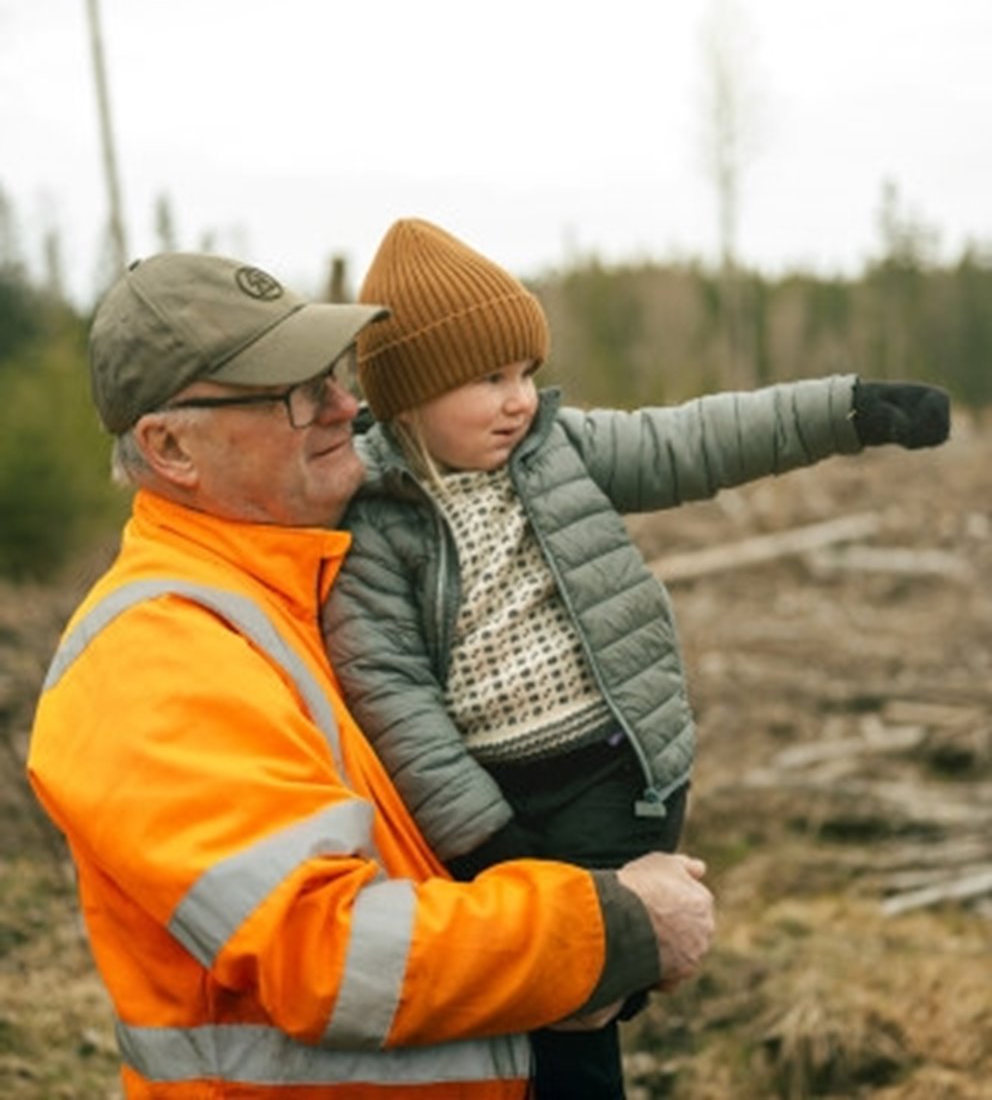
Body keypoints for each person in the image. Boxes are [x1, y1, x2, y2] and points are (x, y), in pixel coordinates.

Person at [26, 251, 717, 1100]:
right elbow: (330, 954)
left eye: (335, 377)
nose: (348, 407)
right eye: (296, 394)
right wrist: (610, 927)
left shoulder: (306, 595)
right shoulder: (154, 659)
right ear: (170, 446)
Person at [321, 218, 952, 1100]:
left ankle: (614, 973)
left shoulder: (557, 451)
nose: (520, 399)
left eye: (527, 373)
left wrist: (847, 409)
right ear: (410, 398)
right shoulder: (374, 523)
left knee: (568, 1012)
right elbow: (394, 699)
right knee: (543, 1015)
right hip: (499, 810)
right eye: (489, 378)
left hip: (615, 778)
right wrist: (489, 842)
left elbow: (693, 439)